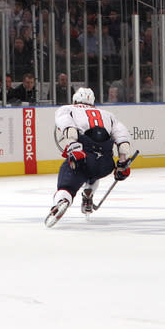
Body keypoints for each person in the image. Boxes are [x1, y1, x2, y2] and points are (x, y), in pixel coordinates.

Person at [45, 87, 133, 227]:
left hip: (84, 157)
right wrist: (123, 163)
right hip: (105, 163)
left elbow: (68, 127)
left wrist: (74, 146)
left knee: (67, 184)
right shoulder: (108, 114)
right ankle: (88, 195)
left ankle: (62, 201)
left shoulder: (67, 109)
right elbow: (123, 139)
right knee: (93, 174)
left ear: (74, 99)